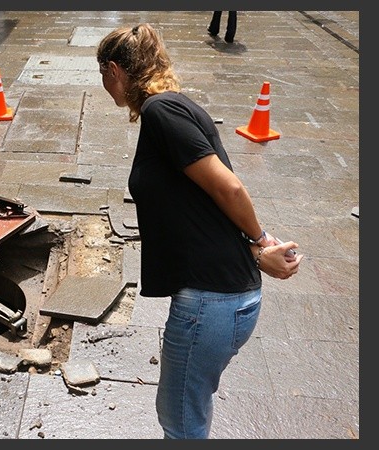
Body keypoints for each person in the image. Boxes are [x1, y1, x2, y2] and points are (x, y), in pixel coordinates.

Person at [96, 23, 303, 439]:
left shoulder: (161, 112)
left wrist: (262, 241)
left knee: (181, 420)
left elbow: (228, 186)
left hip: (212, 304)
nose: (103, 83)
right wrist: (253, 251)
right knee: (185, 411)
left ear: (114, 70)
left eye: (101, 74)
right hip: (223, 297)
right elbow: (203, 205)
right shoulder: (173, 108)